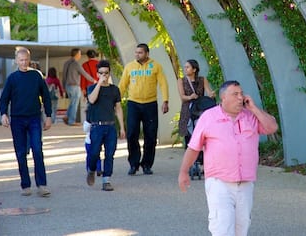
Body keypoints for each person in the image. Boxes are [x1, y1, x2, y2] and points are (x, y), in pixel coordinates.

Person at [178, 80, 278, 236]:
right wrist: (183, 172)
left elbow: (272, 127)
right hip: (219, 184)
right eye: (235, 94)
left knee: (241, 229)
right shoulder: (208, 117)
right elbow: (194, 148)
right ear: (223, 97)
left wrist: (253, 108)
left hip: (245, 184)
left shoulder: (250, 116)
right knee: (222, 229)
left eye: (241, 93)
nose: (240, 97)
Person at [0, 47, 54, 197]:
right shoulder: (12, 78)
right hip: (17, 119)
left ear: (29, 60)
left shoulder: (36, 76)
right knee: (21, 152)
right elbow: (4, 99)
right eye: (21, 60)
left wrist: (48, 116)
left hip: (34, 117)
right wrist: (3, 114)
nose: (23, 63)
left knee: (37, 149)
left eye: (26, 60)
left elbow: (46, 97)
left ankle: (42, 184)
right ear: (16, 61)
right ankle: (25, 184)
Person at [119, 43, 169, 175]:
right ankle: (134, 164)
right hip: (133, 104)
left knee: (150, 135)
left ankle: (147, 164)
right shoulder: (130, 67)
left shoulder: (156, 66)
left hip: (150, 104)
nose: (137, 55)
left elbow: (163, 83)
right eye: (136, 52)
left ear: (147, 53)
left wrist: (165, 100)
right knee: (132, 134)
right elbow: (122, 85)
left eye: (140, 52)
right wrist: (115, 100)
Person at [85, 59, 124, 191]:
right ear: (97, 74)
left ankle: (106, 179)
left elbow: (118, 108)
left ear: (109, 74)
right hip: (97, 126)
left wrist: (122, 127)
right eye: (101, 73)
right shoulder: (91, 88)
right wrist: (99, 84)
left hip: (110, 126)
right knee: (94, 153)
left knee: (110, 154)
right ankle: (91, 169)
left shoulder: (114, 90)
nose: (104, 76)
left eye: (106, 73)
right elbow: (91, 100)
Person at [178, 59, 214, 147]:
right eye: (185, 67)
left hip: (199, 110)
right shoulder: (181, 80)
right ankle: (190, 157)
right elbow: (182, 97)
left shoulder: (202, 79)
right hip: (188, 110)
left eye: (188, 67)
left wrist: (211, 94)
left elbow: (208, 92)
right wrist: (190, 97)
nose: (185, 69)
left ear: (194, 69)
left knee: (200, 133)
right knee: (189, 136)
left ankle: (200, 158)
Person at [61, 48, 95, 126]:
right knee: (75, 103)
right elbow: (84, 74)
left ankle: (67, 116)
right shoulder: (76, 64)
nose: (80, 55)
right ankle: (71, 121)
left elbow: (63, 75)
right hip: (74, 86)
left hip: (67, 85)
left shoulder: (66, 63)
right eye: (79, 54)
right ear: (76, 54)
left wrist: (63, 86)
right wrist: (93, 80)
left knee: (72, 102)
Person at [80, 49, 100, 117]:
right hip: (99, 86)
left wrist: (83, 89)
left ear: (87, 56)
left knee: (90, 104)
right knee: (99, 103)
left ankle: (90, 120)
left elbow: (83, 77)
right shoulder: (99, 64)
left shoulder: (84, 65)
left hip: (89, 88)